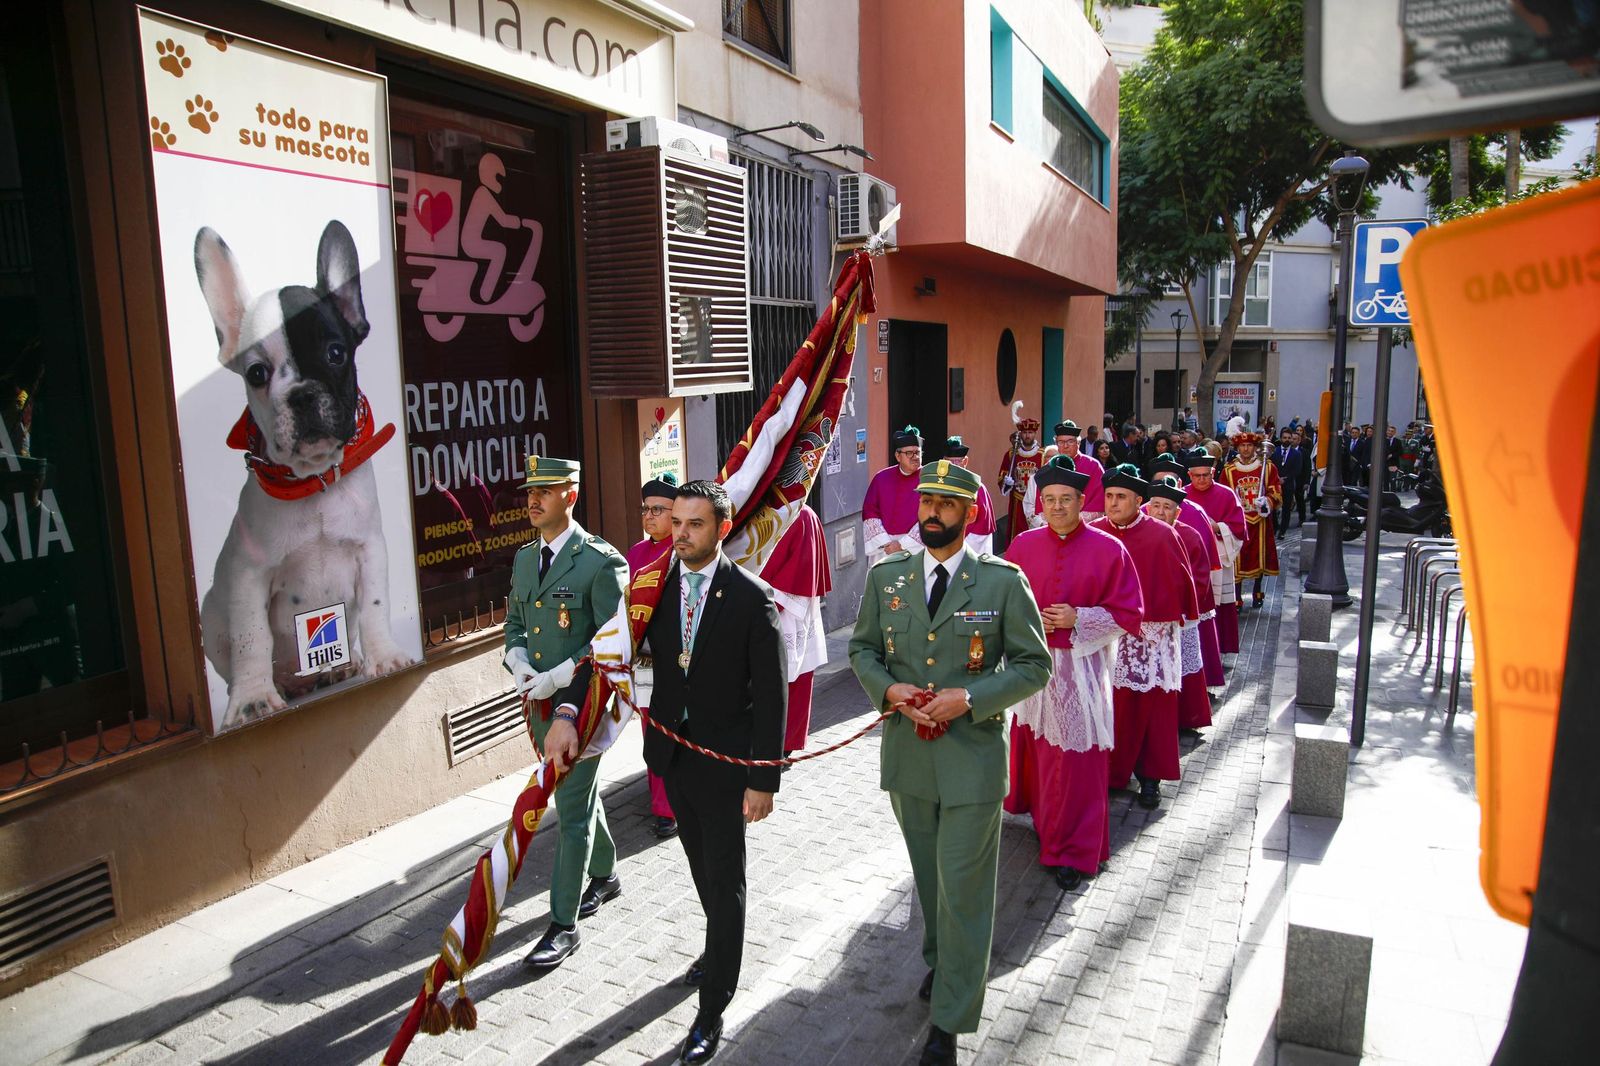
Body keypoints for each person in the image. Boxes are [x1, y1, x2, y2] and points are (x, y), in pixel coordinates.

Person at [849, 459, 1050, 1066]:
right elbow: (861, 647)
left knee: (963, 887)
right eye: (926, 503)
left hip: (972, 759)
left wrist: (970, 698)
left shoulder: (1002, 582)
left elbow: (1033, 665)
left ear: (969, 513)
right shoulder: (888, 578)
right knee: (930, 878)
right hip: (908, 757)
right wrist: (889, 692)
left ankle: (951, 1019)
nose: (931, 513)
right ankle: (943, 963)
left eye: (945, 504)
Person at [638, 479, 787, 1065]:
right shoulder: (651, 590)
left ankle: (713, 1004)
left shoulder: (753, 599)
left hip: (727, 770)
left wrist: (763, 779)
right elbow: (619, 652)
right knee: (703, 870)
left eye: (694, 524)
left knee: (726, 883)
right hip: (674, 759)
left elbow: (770, 699)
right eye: (675, 523)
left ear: (722, 528)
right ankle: (716, 943)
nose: (680, 535)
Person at [502, 455, 629, 969]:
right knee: (578, 791)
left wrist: (563, 680)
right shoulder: (522, 558)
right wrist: (514, 658)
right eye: (530, 492)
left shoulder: (599, 562)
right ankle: (607, 872)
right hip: (537, 703)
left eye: (545, 492)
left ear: (570, 497)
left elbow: (614, 643)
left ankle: (563, 924)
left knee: (570, 809)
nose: (533, 501)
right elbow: (515, 619)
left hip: (581, 707)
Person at [1004, 458, 1142, 891]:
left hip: (1081, 670)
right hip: (1034, 666)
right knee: (1040, 750)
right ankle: (1045, 823)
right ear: (1039, 503)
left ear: (1083, 502)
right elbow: (1000, 600)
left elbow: (1129, 614)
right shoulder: (1023, 545)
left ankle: (1075, 851)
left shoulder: (1109, 549)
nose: (1058, 507)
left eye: (1066, 500)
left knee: (1077, 763)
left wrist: (1077, 617)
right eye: (1050, 500)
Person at [1091, 466, 1197, 810]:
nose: (1113, 503)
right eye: (1109, 496)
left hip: (1149, 640)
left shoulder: (1162, 536)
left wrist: (1153, 625)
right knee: (1110, 707)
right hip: (1106, 638)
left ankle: (1151, 778)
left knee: (1152, 710)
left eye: (1121, 497)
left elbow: (1179, 586)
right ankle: (1109, 773)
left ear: (1140, 501)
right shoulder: (1093, 533)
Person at [629, 473, 681, 839]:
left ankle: (684, 798)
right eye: (645, 509)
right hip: (646, 660)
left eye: (657, 509)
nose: (649, 516)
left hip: (681, 657)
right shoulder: (635, 553)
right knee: (653, 731)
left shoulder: (684, 550)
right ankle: (662, 806)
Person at [1147, 453, 1226, 691]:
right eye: (1158, 481)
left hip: (1182, 607)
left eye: (1169, 480)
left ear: (1179, 483)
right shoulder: (1140, 513)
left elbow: (1201, 569)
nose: (1160, 511)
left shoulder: (1193, 515)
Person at [759, 502, 830, 759]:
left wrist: (764, 605)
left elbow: (801, 568)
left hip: (789, 610)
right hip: (762, 606)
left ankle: (785, 743)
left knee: (794, 675)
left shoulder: (801, 515)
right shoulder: (757, 512)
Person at [1144, 474, 1214, 733]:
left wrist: (1176, 604)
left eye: (1167, 507)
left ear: (1178, 511)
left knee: (1182, 667)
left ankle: (1186, 716)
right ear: (1148, 507)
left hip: (1177, 617)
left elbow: (1200, 579)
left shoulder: (1190, 536)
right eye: (1156, 505)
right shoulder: (1136, 533)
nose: (1160, 512)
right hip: (1144, 618)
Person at [1182, 450, 1246, 657]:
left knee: (1219, 608)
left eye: (1206, 475)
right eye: (1197, 476)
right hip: (1189, 561)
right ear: (1189, 475)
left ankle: (1217, 650)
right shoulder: (1181, 495)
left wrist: (1217, 527)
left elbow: (1238, 528)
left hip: (1218, 557)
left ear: (1213, 472)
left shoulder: (1226, 494)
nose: (1202, 480)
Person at [1223, 432, 1282, 609]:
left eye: (1249, 445)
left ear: (1255, 447)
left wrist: (1267, 502)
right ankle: (1237, 595)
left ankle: (1258, 590)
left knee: (1260, 556)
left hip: (1260, 520)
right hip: (1239, 521)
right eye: (1242, 446)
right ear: (1237, 448)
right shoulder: (1229, 470)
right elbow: (1224, 495)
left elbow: (1276, 490)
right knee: (1237, 558)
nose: (1246, 449)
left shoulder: (1268, 467)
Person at [1025, 421, 1105, 527]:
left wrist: (1070, 523)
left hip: (1084, 528)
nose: (1065, 446)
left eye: (1070, 441)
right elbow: (1042, 504)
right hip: (1054, 528)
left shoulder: (1093, 466)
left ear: (1078, 443)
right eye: (1061, 442)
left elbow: (1098, 505)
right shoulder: (1049, 467)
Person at [864, 426, 925, 564]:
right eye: (909, 453)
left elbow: (932, 516)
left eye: (918, 452)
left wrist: (903, 545)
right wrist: (886, 543)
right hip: (884, 550)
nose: (915, 457)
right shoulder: (881, 478)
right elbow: (870, 512)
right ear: (898, 456)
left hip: (916, 550)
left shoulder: (929, 479)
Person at [995, 415, 1043, 550]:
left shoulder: (1043, 454)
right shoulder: (1011, 454)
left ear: (1035, 433)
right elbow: (1002, 476)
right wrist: (1007, 482)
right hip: (1017, 501)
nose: (1027, 435)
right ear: (1020, 434)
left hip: (1035, 502)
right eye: (1025, 432)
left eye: (1030, 432)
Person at [943, 435, 995, 555]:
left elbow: (981, 528)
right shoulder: (939, 487)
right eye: (950, 462)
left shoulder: (977, 488)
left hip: (970, 548)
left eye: (958, 461)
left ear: (965, 461)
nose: (954, 465)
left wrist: (956, 547)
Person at [1273, 429, 1307, 535]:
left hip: (1288, 484)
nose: (1287, 440)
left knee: (1286, 509)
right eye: (1284, 438)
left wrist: (1285, 479)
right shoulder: (1275, 451)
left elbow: (1297, 470)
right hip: (1275, 484)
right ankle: (1275, 527)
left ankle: (1283, 531)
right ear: (1281, 438)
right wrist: (1277, 478)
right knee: (1273, 507)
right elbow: (1271, 466)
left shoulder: (1296, 454)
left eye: (1289, 438)